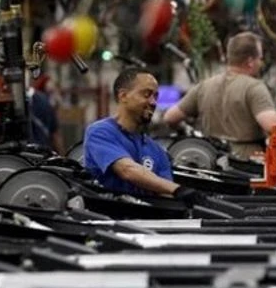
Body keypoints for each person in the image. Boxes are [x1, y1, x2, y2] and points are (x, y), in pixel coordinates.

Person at [162, 31, 276, 160]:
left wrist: (187, 131)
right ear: (250, 61)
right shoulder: (253, 87)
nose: (261, 63)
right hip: (246, 164)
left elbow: (170, 117)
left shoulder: (204, 86)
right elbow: (272, 123)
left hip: (213, 161)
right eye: (260, 58)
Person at [83, 67, 205, 206]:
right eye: (146, 95)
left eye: (155, 96)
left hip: (149, 221)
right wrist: (177, 189)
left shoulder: (157, 151)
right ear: (123, 96)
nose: (153, 102)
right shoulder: (100, 132)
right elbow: (127, 170)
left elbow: (165, 193)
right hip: (109, 221)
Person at [29, 75, 64, 154]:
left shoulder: (34, 101)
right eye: (52, 92)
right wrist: (62, 155)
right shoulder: (45, 103)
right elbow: (55, 135)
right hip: (44, 151)